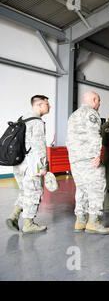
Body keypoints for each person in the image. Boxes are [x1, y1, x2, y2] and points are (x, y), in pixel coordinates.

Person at [66, 91, 109, 235]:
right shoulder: (91, 113)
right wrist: (96, 155)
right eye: (98, 101)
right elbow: (94, 135)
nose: (99, 104)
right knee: (97, 187)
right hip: (89, 158)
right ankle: (93, 222)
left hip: (75, 159)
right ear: (94, 100)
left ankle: (80, 220)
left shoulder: (73, 115)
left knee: (81, 188)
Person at [6, 95, 50, 234]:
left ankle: (13, 216)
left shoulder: (22, 119)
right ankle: (28, 224)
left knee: (25, 191)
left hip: (18, 161)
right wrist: (43, 167)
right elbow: (39, 147)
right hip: (32, 162)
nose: (49, 107)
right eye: (47, 104)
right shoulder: (37, 122)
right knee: (35, 192)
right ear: (39, 105)